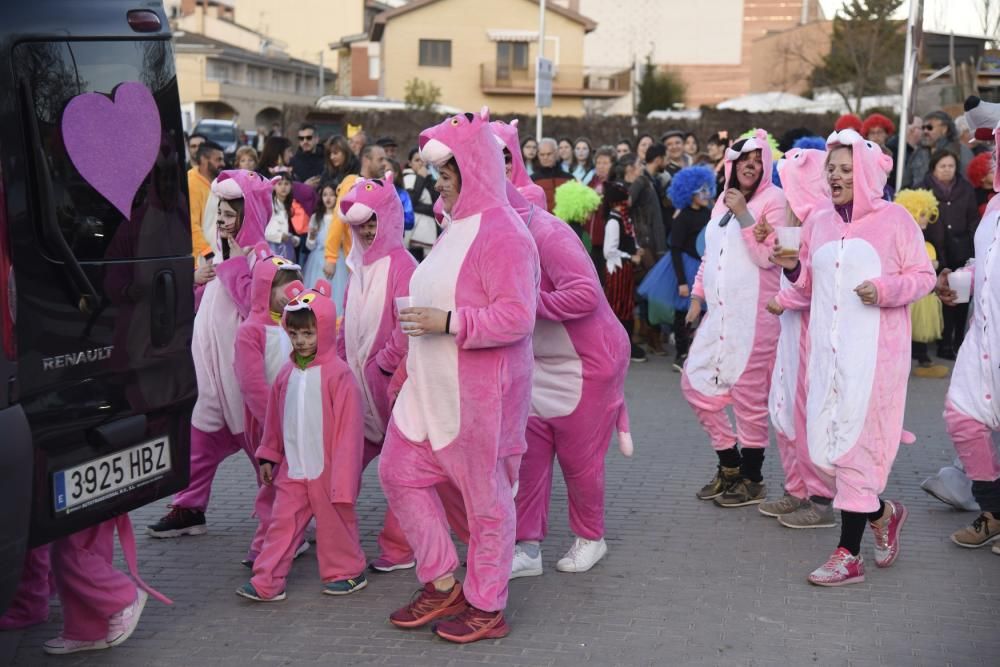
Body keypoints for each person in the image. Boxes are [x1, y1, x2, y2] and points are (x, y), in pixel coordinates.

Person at [379, 109, 539, 643]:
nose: (438, 184)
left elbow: (518, 316)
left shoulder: (504, 232)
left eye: (447, 174)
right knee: (397, 472)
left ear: (473, 169)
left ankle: (487, 605)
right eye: (437, 175)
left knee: (487, 504)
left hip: (478, 397)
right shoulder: (454, 226)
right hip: (428, 390)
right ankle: (444, 578)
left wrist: (448, 322)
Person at [769, 129, 935, 585]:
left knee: (857, 453)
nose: (837, 176)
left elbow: (923, 276)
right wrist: (791, 268)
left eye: (846, 169)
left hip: (876, 358)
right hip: (826, 354)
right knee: (828, 452)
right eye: (832, 169)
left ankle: (848, 554)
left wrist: (884, 290)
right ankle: (884, 514)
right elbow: (805, 288)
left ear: (863, 173)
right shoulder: (819, 221)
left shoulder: (894, 219)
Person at [490, 120, 632, 579]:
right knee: (529, 459)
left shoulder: (546, 231)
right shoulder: (494, 232)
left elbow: (585, 294)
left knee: (579, 459)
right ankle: (526, 548)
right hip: (540, 364)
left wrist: (524, 306)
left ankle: (592, 537)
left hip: (587, 364)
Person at [147, 170, 273, 538]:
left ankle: (283, 519)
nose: (222, 222)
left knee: (260, 447)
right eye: (219, 214)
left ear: (249, 216)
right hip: (209, 372)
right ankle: (189, 506)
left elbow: (254, 305)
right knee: (198, 438)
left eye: (230, 216)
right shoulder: (221, 256)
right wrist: (197, 283)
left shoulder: (262, 258)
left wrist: (232, 264)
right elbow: (207, 307)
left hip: (242, 375)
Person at [237, 280, 369, 601]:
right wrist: (269, 455)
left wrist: (344, 477)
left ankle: (347, 571)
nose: (301, 341)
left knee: (336, 525)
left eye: (308, 333)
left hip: (328, 471)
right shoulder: (285, 374)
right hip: (293, 470)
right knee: (281, 526)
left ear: (323, 330)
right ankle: (266, 580)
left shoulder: (340, 376)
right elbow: (273, 421)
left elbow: (350, 433)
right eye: (294, 334)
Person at [682, 129, 786, 509]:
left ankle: (753, 478)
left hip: (756, 316)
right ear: (732, 165)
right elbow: (711, 256)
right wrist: (697, 296)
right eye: (744, 161)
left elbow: (765, 257)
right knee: (693, 383)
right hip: (720, 315)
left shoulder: (775, 201)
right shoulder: (719, 204)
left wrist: (744, 213)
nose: (750, 166)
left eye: (757, 162)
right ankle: (729, 463)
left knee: (748, 399)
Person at [336, 171, 419, 572]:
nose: (366, 231)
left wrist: (383, 366)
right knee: (344, 466)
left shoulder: (403, 265)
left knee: (402, 470)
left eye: (372, 221)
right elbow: (347, 324)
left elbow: (408, 326)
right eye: (359, 225)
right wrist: (337, 363)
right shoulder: (358, 267)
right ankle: (338, 539)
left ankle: (402, 546)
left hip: (391, 389)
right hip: (357, 391)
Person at [754, 147, 837, 529]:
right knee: (784, 409)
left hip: (810, 333)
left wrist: (783, 294)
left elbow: (814, 284)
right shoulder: (801, 221)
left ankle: (819, 498)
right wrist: (769, 242)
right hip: (789, 331)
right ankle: (796, 489)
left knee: (805, 414)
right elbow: (793, 270)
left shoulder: (825, 221)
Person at [935, 97, 1000, 553]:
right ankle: (992, 510)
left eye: (997, 152)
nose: (992, 161)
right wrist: (961, 279)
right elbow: (989, 265)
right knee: (962, 417)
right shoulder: (993, 208)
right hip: (982, 336)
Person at [233, 247, 303, 566]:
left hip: (300, 419)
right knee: (272, 483)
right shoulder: (251, 331)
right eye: (283, 286)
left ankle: (289, 536)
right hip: (268, 426)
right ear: (265, 289)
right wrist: (274, 424)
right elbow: (252, 384)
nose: (291, 292)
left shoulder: (295, 325)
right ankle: (264, 543)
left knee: (293, 482)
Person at [921, 149, 979, 360]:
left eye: (951, 166)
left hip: (962, 249)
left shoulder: (965, 188)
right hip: (937, 248)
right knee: (943, 297)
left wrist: (974, 246)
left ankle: (958, 343)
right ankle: (944, 343)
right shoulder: (923, 188)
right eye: (942, 166)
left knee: (962, 298)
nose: (947, 170)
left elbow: (973, 219)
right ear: (934, 168)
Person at [323, 143, 386, 315]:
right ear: (366, 160)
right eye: (380, 159)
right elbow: (338, 218)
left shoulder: (382, 185)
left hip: (378, 262)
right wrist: (331, 257)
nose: (384, 164)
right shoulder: (352, 182)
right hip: (357, 264)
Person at [664, 166, 715, 371]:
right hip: (686, 267)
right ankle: (681, 352)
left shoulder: (709, 214)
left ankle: (700, 351)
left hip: (704, 265)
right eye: (700, 190)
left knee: (705, 312)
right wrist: (682, 281)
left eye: (707, 189)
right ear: (689, 192)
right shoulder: (683, 217)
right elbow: (675, 249)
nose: (705, 194)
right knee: (682, 312)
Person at [894, 188, 948, 378]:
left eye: (927, 214)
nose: (925, 219)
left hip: (926, 294)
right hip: (912, 291)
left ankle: (921, 355)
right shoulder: (906, 241)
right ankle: (909, 358)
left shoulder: (928, 242)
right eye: (921, 214)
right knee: (908, 327)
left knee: (921, 327)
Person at [600, 178, 645, 363]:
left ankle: (624, 344)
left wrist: (636, 249)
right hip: (617, 271)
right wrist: (630, 256)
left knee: (626, 306)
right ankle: (615, 346)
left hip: (625, 271)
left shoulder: (623, 219)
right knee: (618, 307)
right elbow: (609, 251)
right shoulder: (613, 221)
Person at [903, 110, 963, 188]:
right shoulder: (918, 152)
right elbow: (906, 182)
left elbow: (963, 186)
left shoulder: (959, 150)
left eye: (929, 127)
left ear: (944, 129)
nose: (925, 131)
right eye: (923, 128)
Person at [189, 141, 224, 259]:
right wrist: (207, 254)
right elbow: (192, 226)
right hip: (203, 260)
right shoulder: (191, 184)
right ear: (204, 159)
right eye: (218, 159)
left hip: (217, 256)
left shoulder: (217, 183)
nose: (222, 163)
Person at [585, 146, 616, 280]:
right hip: (590, 242)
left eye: (605, 163)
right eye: (598, 163)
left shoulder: (615, 185)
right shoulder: (591, 183)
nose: (601, 166)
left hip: (607, 242)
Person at [402, 147, 438, 260]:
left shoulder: (431, 179)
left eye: (422, 160)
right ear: (409, 163)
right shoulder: (406, 179)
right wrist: (420, 178)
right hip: (412, 236)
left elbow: (438, 207)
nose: (421, 164)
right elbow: (410, 202)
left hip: (430, 234)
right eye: (417, 160)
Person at [303, 182, 337, 288]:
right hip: (317, 259)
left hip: (336, 258)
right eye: (325, 195)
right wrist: (312, 237)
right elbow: (309, 246)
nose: (328, 198)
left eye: (332, 195)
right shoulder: (315, 217)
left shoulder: (340, 217)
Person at [265, 170, 305, 261]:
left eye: (286, 184)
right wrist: (280, 236)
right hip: (272, 247)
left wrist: (293, 238)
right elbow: (264, 231)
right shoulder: (269, 204)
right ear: (274, 186)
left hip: (284, 248)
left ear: (291, 186)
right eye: (279, 184)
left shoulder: (288, 206)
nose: (283, 187)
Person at [531, 137, 573, 211]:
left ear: (556, 153)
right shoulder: (532, 180)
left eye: (549, 154)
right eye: (542, 154)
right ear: (538, 155)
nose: (545, 157)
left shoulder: (569, 179)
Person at [966, 151, 996, 217]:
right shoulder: (974, 195)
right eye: (992, 172)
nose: (996, 173)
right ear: (982, 177)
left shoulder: (998, 191)